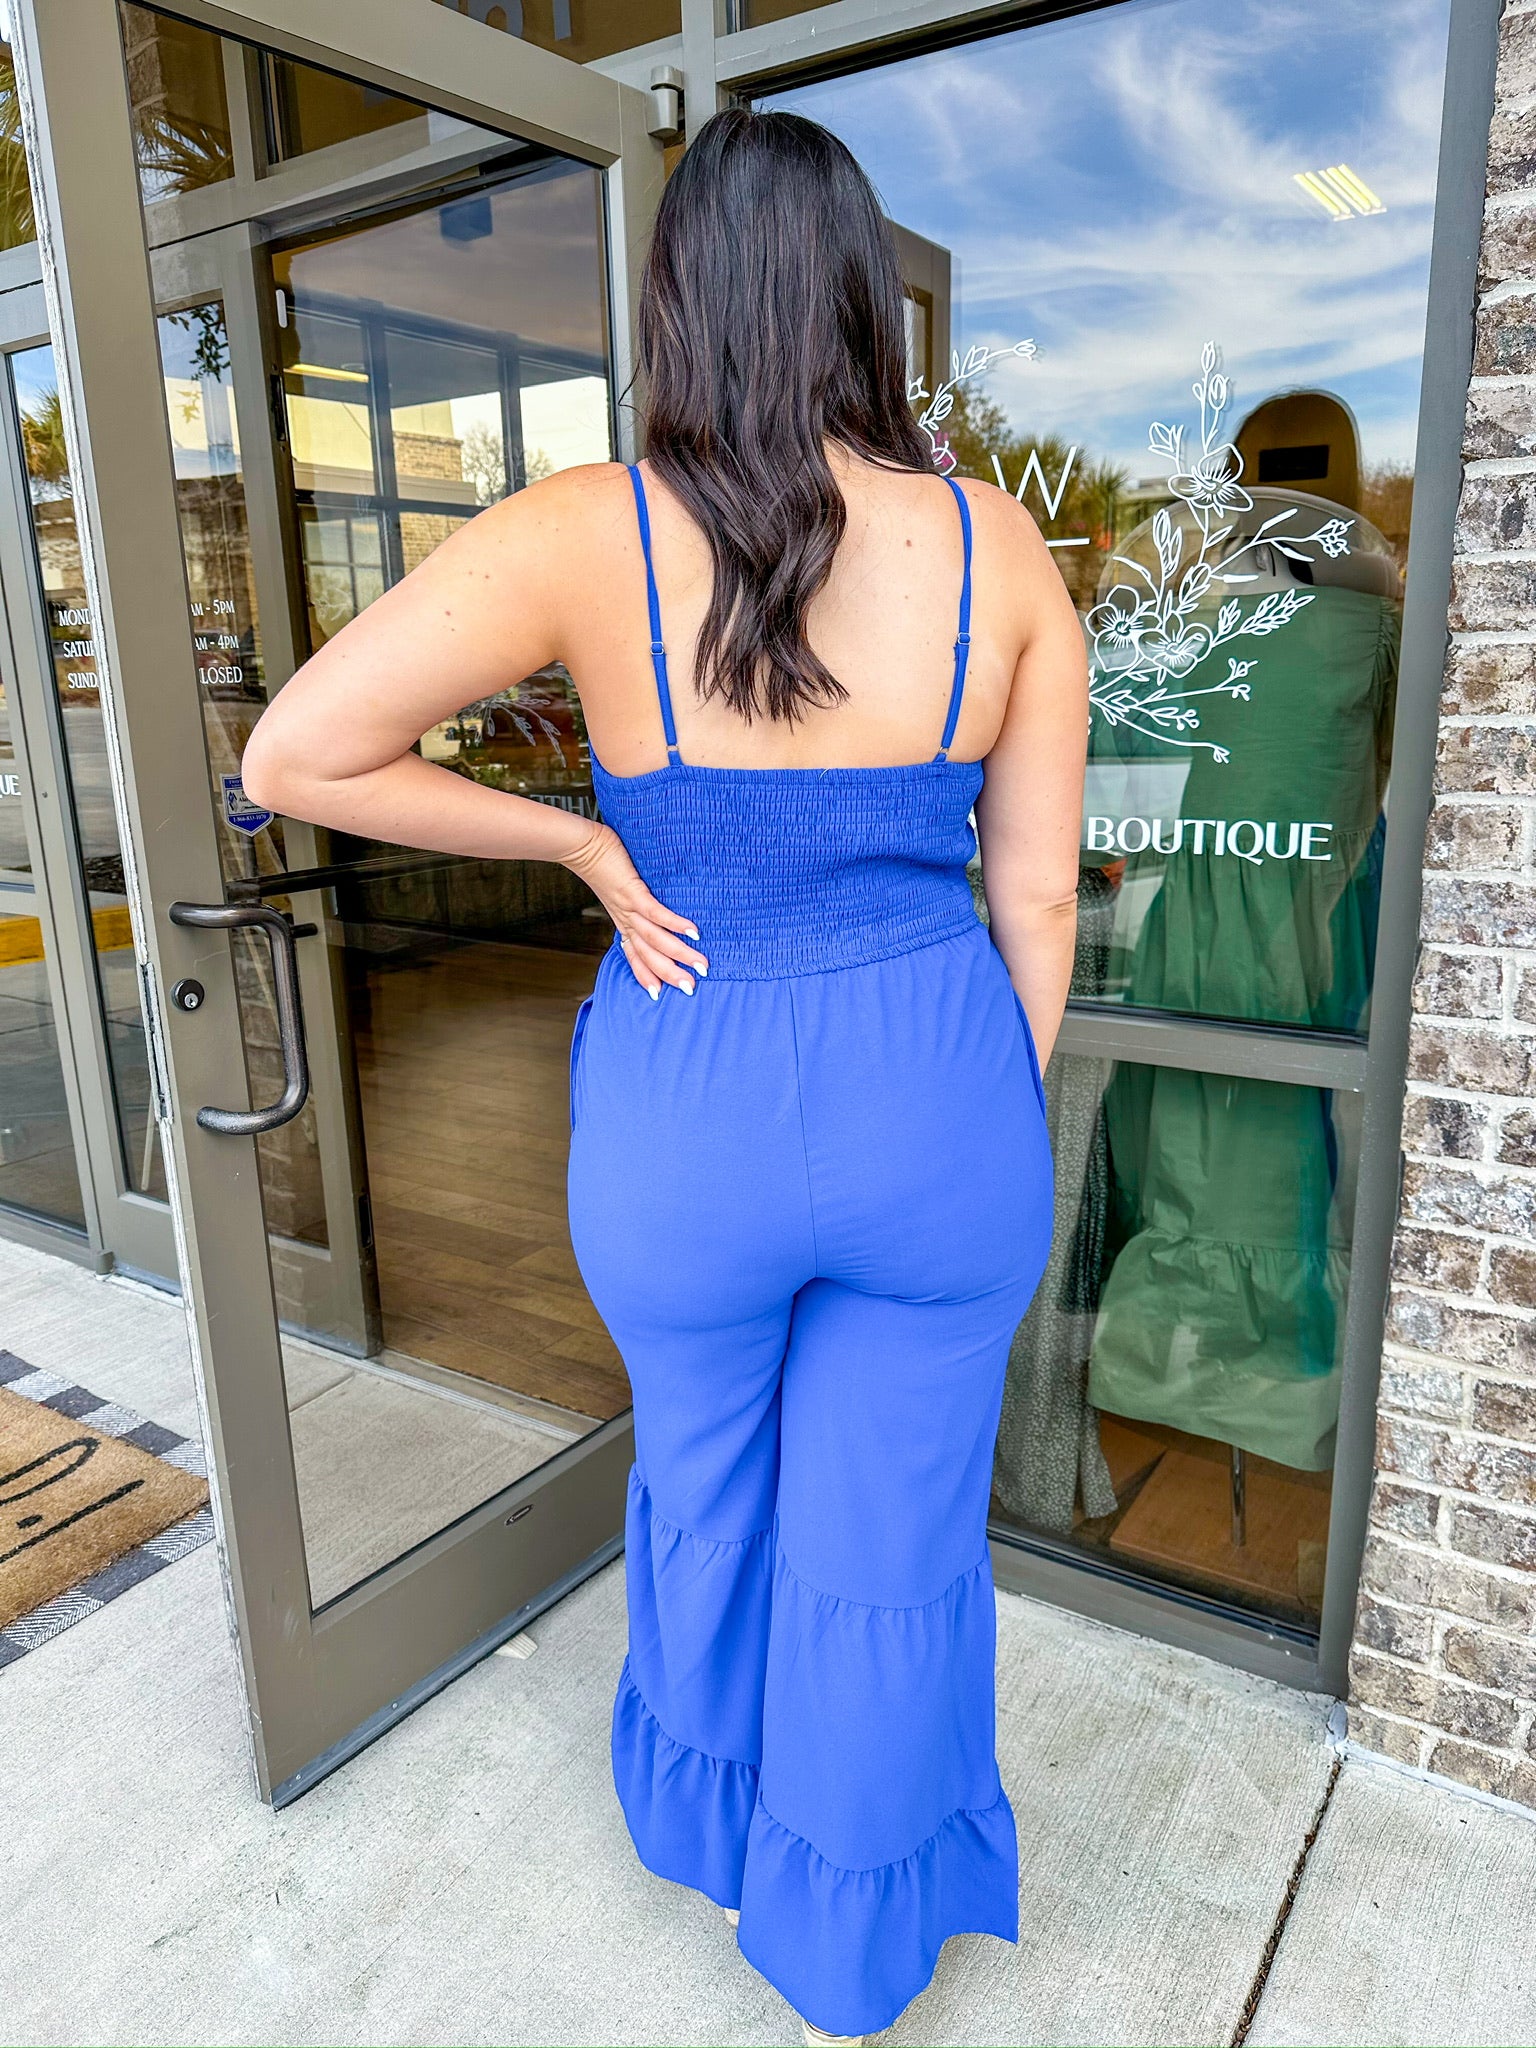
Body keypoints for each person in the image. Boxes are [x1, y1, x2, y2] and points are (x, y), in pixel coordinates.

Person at [242, 106, 1086, 2047]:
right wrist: (977, 1102)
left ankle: (709, 1830)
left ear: (677, 299)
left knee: (705, 1476)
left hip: (685, 1090)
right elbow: (1036, 897)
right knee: (891, 1533)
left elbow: (296, 755)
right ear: (864, 302)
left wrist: (582, 845)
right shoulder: (1000, 548)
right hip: (936, 1093)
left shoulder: (579, 530)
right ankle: (852, 1935)